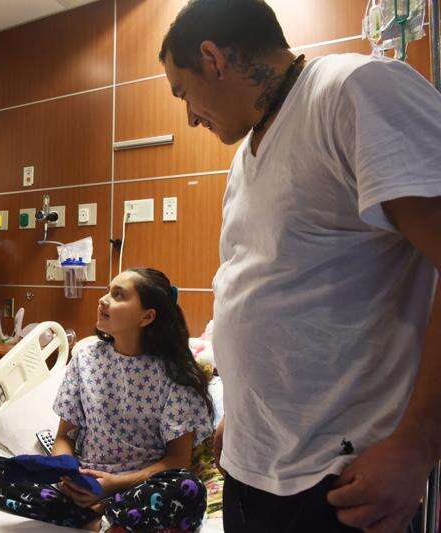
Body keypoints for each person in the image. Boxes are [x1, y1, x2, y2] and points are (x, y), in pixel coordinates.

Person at [158, 1, 441, 532]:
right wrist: (244, 423)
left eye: (182, 93)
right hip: (253, 471)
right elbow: (269, 289)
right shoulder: (246, 155)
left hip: (339, 480)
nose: (190, 116)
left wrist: (418, 445)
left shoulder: (353, 90)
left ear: (213, 58)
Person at [0, 268, 214, 532]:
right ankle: (100, 522)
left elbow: (178, 460)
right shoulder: (85, 359)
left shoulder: (173, 374)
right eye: (108, 292)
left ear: (147, 316)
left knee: (187, 488)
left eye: (118, 295)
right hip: (81, 486)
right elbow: (64, 436)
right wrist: (66, 475)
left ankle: (104, 514)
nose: (103, 300)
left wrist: (112, 487)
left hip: (137, 488)